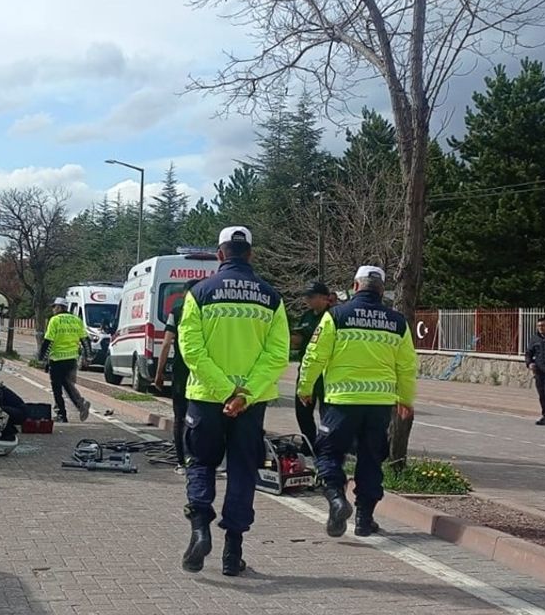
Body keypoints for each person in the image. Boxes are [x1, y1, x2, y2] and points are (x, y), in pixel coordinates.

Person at [177, 227, 289, 577]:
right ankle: (232, 554)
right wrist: (244, 393)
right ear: (250, 255)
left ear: (220, 254)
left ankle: (199, 530)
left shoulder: (199, 293)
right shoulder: (271, 298)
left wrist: (224, 389)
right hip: (250, 405)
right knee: (242, 471)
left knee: (200, 464)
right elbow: (277, 354)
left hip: (207, 399)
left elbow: (191, 350)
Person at [299, 265, 417, 539]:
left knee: (329, 453)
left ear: (355, 286)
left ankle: (337, 499)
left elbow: (314, 355)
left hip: (341, 402)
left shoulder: (335, 315)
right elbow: (408, 366)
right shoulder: (397, 322)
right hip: (379, 405)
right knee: (371, 458)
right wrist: (406, 399)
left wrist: (305, 388)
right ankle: (364, 519)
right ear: (381, 290)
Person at [154, 277, 202, 474]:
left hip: (182, 371)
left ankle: (181, 462)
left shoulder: (177, 312)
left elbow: (166, 344)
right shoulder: (208, 311)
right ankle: (201, 459)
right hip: (202, 371)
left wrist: (159, 373)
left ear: (183, 294)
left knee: (180, 418)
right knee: (202, 417)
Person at [292, 281, 334, 454]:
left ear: (324, 298)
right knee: (302, 410)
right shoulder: (307, 316)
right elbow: (298, 338)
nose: (307, 300)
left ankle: (327, 445)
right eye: (306, 296)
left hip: (325, 373)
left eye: (311, 296)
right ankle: (308, 442)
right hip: (306, 369)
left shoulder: (332, 316)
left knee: (327, 412)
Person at [39, 297, 92, 423]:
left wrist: (42, 357)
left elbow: (48, 341)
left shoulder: (55, 320)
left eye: (54, 306)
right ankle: (80, 404)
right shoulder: (76, 320)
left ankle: (62, 415)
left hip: (57, 359)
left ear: (60, 307)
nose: (53, 309)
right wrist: (88, 355)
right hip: (72, 359)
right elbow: (85, 339)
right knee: (68, 385)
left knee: (57, 389)